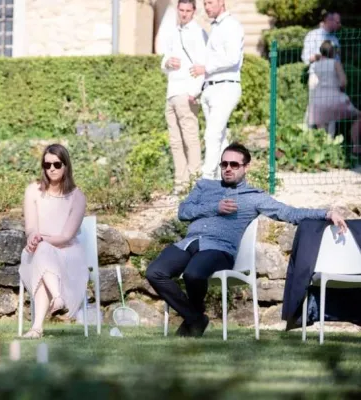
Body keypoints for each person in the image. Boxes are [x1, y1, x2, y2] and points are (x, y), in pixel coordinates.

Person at [145, 142, 347, 337]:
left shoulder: (254, 197)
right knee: (155, 272)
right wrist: (215, 207)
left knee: (193, 275)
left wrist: (326, 213)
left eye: (234, 164)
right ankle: (195, 318)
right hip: (188, 243)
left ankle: (193, 318)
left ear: (246, 167)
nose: (228, 169)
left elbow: (288, 212)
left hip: (218, 249)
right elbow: (183, 212)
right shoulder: (204, 187)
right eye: (224, 164)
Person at [18, 144, 89, 338]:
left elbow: (66, 236)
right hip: (38, 251)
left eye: (57, 164)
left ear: (66, 166)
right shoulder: (33, 191)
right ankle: (57, 299)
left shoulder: (77, 197)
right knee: (41, 252)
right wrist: (33, 238)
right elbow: (31, 227)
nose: (52, 169)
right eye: (47, 164)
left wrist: (41, 239)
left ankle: (37, 328)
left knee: (43, 251)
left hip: (68, 252)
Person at [188, 0, 244, 180]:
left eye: (210, 2)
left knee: (212, 135)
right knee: (219, 139)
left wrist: (206, 68)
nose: (206, 6)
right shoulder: (215, 27)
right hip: (210, 87)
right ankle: (228, 180)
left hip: (226, 86)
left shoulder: (231, 25)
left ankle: (206, 179)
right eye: (204, 3)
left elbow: (232, 58)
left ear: (221, 2)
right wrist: (197, 90)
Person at [161, 0, 208, 193]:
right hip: (171, 92)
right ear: (177, 10)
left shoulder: (198, 32)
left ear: (194, 12)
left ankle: (194, 182)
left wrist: (194, 91)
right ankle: (180, 183)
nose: (184, 14)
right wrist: (167, 63)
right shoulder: (172, 32)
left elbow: (204, 64)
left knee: (191, 139)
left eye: (188, 11)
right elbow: (164, 61)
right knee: (175, 141)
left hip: (187, 93)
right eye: (182, 10)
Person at [307, 40, 361, 151]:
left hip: (319, 98)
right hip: (334, 97)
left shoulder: (316, 65)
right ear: (333, 53)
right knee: (358, 116)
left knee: (322, 126)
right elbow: (343, 82)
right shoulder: (335, 64)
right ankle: (355, 145)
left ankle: (322, 151)